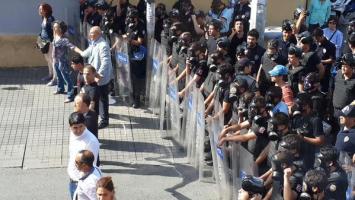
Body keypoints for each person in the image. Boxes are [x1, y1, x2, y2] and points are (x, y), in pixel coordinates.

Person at [74, 26, 113, 129]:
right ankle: (101, 114)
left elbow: (105, 62)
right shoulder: (94, 43)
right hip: (93, 76)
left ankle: (104, 120)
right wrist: (77, 50)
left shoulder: (103, 45)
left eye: (92, 33)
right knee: (98, 97)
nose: (90, 35)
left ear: (98, 34)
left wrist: (98, 75)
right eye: (90, 33)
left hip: (101, 78)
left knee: (103, 99)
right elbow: (85, 53)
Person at [67, 112, 100, 200]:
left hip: (82, 184)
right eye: (75, 128)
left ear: (85, 124)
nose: (78, 130)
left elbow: (90, 166)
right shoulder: (72, 134)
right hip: (73, 181)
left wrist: (81, 183)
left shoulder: (91, 142)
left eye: (81, 126)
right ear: (70, 127)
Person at [124, 8, 147, 108]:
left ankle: (137, 100)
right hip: (129, 54)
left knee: (136, 79)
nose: (130, 19)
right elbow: (127, 34)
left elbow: (140, 42)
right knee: (130, 78)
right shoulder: (129, 25)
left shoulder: (140, 26)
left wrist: (129, 40)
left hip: (137, 57)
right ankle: (132, 97)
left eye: (132, 17)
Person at [52, 20, 76, 103]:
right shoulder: (55, 36)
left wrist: (80, 52)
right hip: (56, 60)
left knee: (67, 79)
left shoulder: (64, 39)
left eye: (56, 27)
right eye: (54, 27)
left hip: (63, 61)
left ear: (60, 29)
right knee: (59, 76)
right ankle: (60, 89)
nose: (54, 28)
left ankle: (70, 95)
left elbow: (71, 46)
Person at [332, 53, 355, 120]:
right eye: (342, 65)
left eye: (345, 66)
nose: (343, 68)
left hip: (348, 115)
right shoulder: (338, 74)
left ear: (352, 67)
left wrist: (348, 109)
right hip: (335, 111)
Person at [312, 27, 336, 93]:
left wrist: (321, 61)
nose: (316, 41)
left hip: (325, 71)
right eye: (315, 39)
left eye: (317, 39)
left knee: (323, 90)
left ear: (322, 36)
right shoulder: (315, 44)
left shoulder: (330, 46)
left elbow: (332, 59)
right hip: (315, 71)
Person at [38, 3, 56, 86]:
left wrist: (52, 42)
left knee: (52, 61)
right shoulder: (43, 18)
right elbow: (42, 30)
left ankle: (55, 79)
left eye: (41, 9)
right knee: (48, 60)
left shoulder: (50, 19)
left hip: (50, 43)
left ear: (46, 10)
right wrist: (39, 38)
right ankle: (50, 75)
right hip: (43, 41)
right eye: (40, 9)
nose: (40, 10)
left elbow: (54, 31)